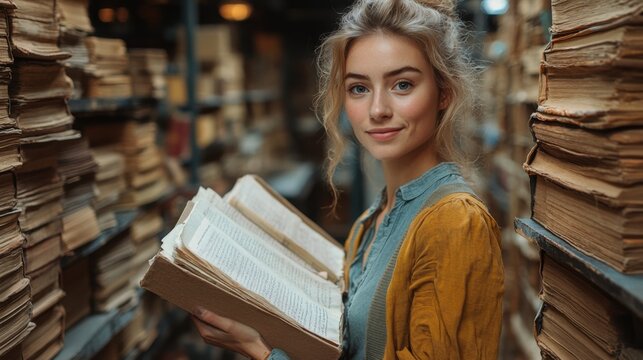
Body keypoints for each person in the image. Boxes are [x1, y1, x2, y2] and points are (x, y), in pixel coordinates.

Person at [191, 0, 505, 358]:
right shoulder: (371, 221)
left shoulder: (454, 223)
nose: (377, 110)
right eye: (359, 88)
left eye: (402, 85)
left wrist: (260, 351)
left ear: (443, 93)